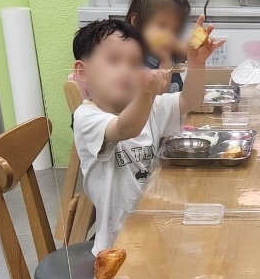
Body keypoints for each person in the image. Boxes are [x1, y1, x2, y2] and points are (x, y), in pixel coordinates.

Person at [70, 18, 223, 255]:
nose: (126, 70)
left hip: (155, 230)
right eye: (114, 61)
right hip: (116, 244)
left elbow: (189, 100)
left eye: (134, 64)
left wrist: (196, 63)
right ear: (83, 71)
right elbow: (125, 128)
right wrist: (146, 92)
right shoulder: (87, 117)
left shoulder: (149, 106)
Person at [126, 0, 192, 92]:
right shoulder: (129, 59)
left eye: (174, 29)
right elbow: (156, 98)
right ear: (136, 21)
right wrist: (165, 61)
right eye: (162, 25)